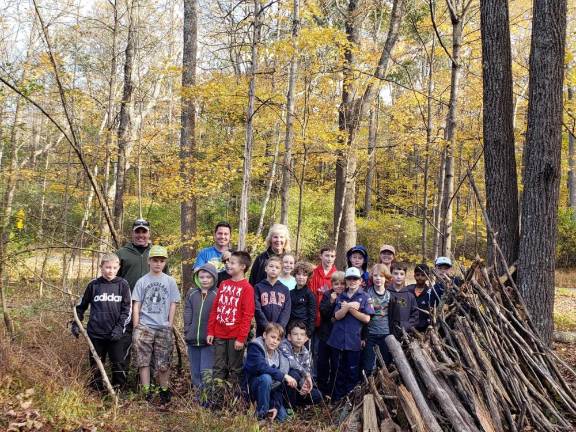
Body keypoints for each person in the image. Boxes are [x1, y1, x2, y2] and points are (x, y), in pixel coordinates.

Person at [72, 253, 131, 392]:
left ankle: (118, 390)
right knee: (96, 364)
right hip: (96, 333)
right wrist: (76, 323)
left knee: (118, 363)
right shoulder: (93, 285)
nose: (110, 271)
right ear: (101, 267)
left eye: (114, 268)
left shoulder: (123, 284)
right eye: (107, 267)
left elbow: (127, 310)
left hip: (116, 334)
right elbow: (80, 307)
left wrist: (119, 328)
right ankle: (97, 390)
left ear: (118, 268)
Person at [132, 245, 181, 405]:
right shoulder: (142, 281)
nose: (158, 264)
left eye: (161, 261)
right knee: (143, 360)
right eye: (155, 260)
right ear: (149, 261)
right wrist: (136, 325)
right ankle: (146, 391)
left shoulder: (170, 281)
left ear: (165, 262)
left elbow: (173, 303)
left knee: (164, 362)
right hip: (145, 326)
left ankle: (164, 390)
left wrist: (170, 323)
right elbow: (136, 304)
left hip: (163, 327)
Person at [206, 251, 254, 386]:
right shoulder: (223, 284)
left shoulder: (247, 288)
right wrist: (211, 331)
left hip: (235, 336)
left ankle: (233, 400)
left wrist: (241, 338)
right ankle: (217, 399)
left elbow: (247, 315)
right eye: (228, 262)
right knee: (218, 367)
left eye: (232, 262)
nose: (228, 264)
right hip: (219, 334)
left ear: (242, 266)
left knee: (235, 369)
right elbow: (215, 309)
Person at [327, 267, 374, 402]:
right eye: (349, 279)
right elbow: (337, 315)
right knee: (337, 371)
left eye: (355, 279)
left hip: (354, 340)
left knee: (352, 372)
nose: (352, 281)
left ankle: (350, 401)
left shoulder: (365, 296)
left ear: (360, 281)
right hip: (338, 340)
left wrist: (349, 308)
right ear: (346, 281)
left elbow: (366, 318)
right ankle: (337, 400)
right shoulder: (341, 296)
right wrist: (348, 306)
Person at [243, 322, 297, 422]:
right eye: (272, 337)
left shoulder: (280, 357)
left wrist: (275, 406)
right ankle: (261, 416)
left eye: (278, 339)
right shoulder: (255, 347)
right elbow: (261, 367)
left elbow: (278, 388)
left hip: (270, 394)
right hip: (253, 390)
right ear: (264, 335)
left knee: (283, 418)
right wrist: (284, 375)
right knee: (266, 377)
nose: (274, 341)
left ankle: (270, 411)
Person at [183, 263, 218, 389]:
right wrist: (187, 330)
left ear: (214, 278)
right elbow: (187, 312)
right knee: (195, 373)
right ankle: (198, 400)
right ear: (197, 278)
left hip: (208, 341)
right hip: (193, 339)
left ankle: (207, 400)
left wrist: (214, 334)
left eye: (208, 277)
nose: (205, 280)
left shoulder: (217, 294)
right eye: (202, 277)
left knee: (206, 372)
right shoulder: (192, 293)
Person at [279, 321, 323, 408]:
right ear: (289, 337)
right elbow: (291, 363)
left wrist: (304, 385)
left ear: (306, 338)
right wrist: (305, 375)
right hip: (283, 383)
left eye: (302, 335)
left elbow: (308, 370)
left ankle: (297, 403)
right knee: (294, 373)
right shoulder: (284, 345)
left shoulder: (306, 352)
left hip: (297, 385)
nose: (299, 337)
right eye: (295, 334)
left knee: (318, 395)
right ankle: (289, 407)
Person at [117, 219, 169, 291]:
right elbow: (113, 279)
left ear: (149, 234)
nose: (141, 235)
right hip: (127, 299)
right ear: (132, 233)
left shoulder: (158, 253)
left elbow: (166, 278)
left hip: (152, 298)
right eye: (137, 232)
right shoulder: (121, 253)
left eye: (144, 232)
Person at [317, 271, 345, 395]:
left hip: (338, 336)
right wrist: (331, 302)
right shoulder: (328, 295)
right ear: (332, 284)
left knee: (336, 364)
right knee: (322, 362)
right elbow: (324, 313)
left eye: (342, 284)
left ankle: (333, 390)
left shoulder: (346, 297)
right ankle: (322, 389)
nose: (339, 286)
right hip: (325, 334)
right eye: (336, 283)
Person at [362, 264, 392, 376]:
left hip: (386, 333)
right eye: (375, 276)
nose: (378, 278)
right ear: (371, 278)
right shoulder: (367, 293)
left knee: (385, 364)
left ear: (386, 278)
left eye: (381, 276)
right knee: (368, 366)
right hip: (370, 334)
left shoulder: (390, 295)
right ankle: (367, 388)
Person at [254, 256, 291, 336]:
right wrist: (267, 326)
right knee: (261, 348)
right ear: (265, 269)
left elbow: (286, 310)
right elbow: (257, 309)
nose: (274, 269)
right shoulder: (258, 287)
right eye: (271, 266)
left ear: (280, 271)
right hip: (262, 330)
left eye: (277, 267)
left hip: (279, 331)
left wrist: (280, 326)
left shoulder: (285, 289)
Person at [308, 246, 337, 329]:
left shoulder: (337, 275)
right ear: (321, 256)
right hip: (314, 317)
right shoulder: (313, 274)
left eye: (332, 256)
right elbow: (309, 295)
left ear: (335, 258)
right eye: (327, 255)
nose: (329, 259)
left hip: (330, 319)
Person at [388, 262, 418, 339]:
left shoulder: (410, 296)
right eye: (395, 273)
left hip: (404, 334)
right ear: (391, 274)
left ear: (405, 276)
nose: (398, 277)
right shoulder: (385, 293)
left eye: (401, 274)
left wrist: (405, 325)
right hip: (387, 333)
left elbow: (415, 316)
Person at [406, 263, 439, 332]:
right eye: (418, 275)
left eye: (423, 275)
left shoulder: (431, 293)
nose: (420, 277)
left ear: (427, 277)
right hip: (408, 329)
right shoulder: (407, 290)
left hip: (424, 330)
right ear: (414, 276)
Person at [288, 261, 316, 337]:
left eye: (304, 275)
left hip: (303, 331)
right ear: (295, 275)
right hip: (290, 329)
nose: (301, 277)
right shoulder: (290, 293)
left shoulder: (310, 295)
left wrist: (308, 334)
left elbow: (312, 315)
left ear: (308, 277)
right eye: (299, 274)